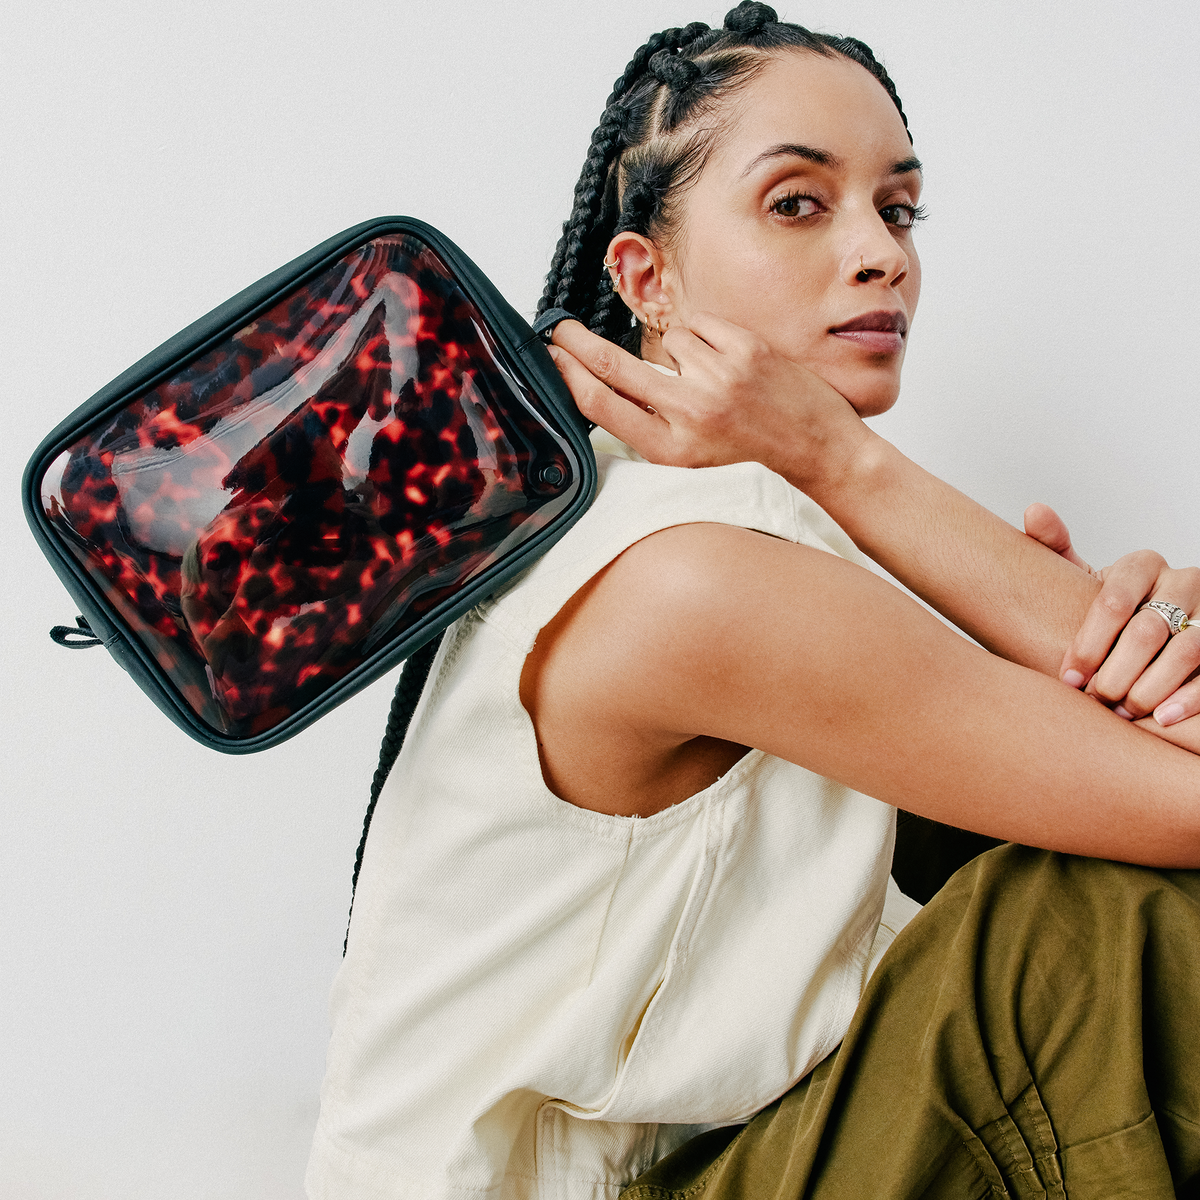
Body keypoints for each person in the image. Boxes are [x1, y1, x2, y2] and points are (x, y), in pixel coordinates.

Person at [305, 6, 1200, 1198]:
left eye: (900, 208)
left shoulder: (717, 528)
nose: (882, 252)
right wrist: (853, 463)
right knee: (1103, 924)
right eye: (798, 203)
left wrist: (1103, 638)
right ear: (647, 278)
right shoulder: (686, 578)